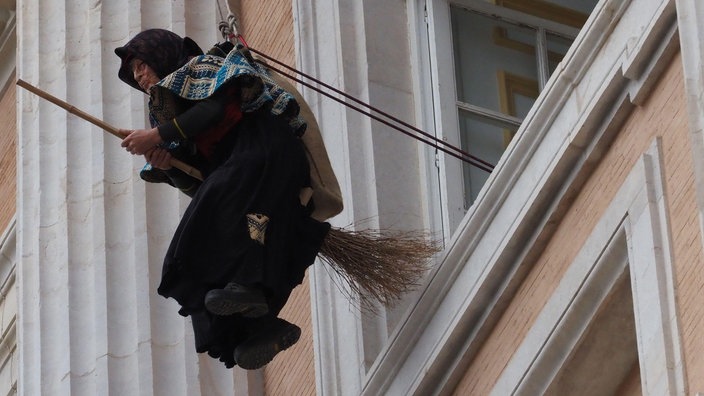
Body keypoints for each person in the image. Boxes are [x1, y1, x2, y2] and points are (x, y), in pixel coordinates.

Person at [114, 28, 331, 369]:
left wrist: (158, 134)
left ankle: (246, 287)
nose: (139, 76)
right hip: (237, 171)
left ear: (160, 55)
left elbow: (214, 109)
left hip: (262, 148)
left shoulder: (202, 66)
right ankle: (254, 327)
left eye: (141, 65)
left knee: (210, 215)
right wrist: (168, 164)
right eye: (134, 73)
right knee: (191, 249)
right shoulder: (167, 110)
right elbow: (198, 179)